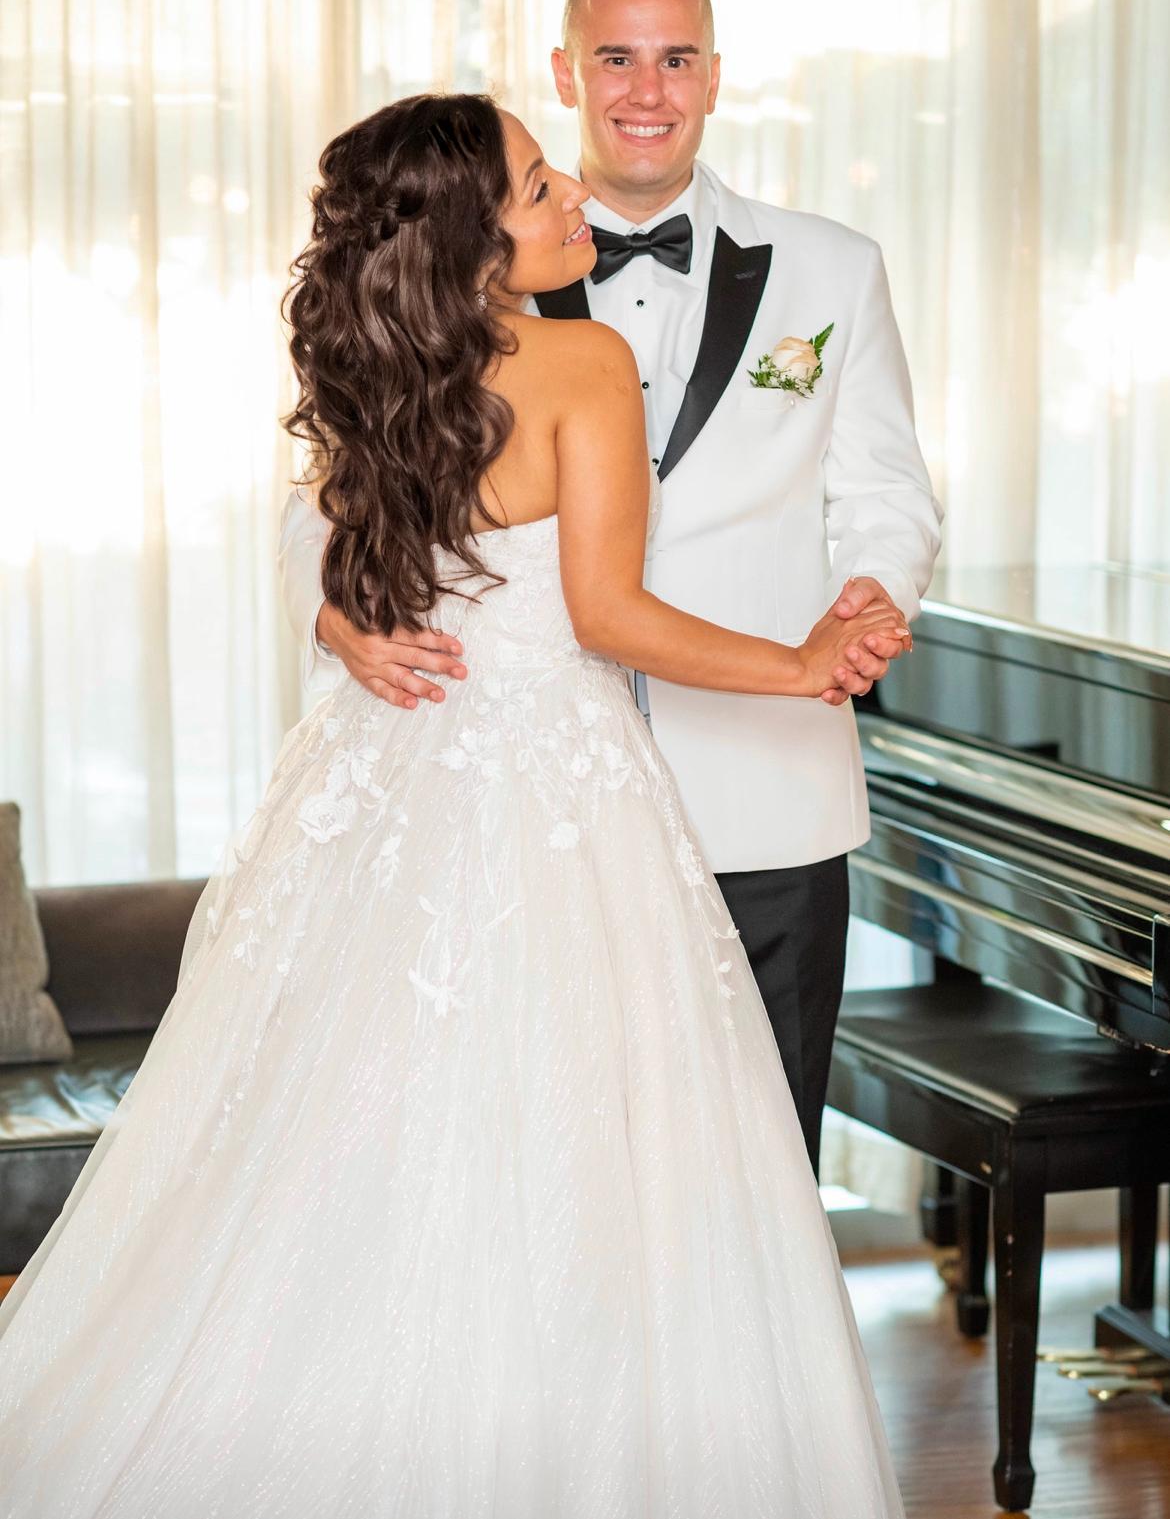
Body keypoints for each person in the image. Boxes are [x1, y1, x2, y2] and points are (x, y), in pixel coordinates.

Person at [0, 92, 908, 1517]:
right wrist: (797, 667)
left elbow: (341, 549)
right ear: (478, 238)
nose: (570, 200)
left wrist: (342, 620)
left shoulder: (380, 364)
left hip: (384, 783)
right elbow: (608, 614)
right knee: (580, 1155)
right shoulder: (583, 361)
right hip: (555, 794)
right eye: (539, 188)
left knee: (348, 1141)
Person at [279, 0, 943, 1181]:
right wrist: (335, 617)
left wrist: (872, 599)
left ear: (716, 76)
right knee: (548, 1175)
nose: (649, 89)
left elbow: (889, 493)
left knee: (760, 1182)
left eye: (677, 58)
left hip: (766, 795)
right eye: (617, 58)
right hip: (527, 819)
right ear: (566, 71)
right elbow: (327, 497)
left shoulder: (833, 267)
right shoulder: (471, 259)